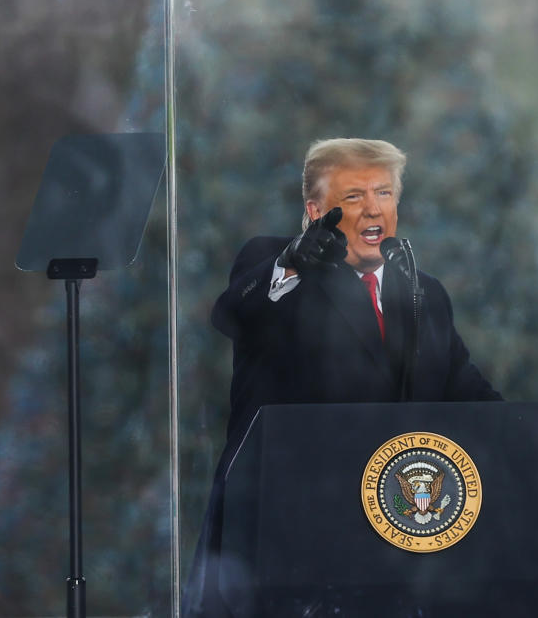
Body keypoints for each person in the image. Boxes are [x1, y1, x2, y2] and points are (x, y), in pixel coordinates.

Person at [184, 137, 501, 617]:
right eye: (354, 196)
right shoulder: (277, 266)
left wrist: (519, 435)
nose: (373, 208)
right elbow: (232, 315)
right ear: (315, 211)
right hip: (282, 537)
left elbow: (464, 387)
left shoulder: (423, 292)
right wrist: (291, 261)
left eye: (384, 193)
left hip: (394, 541)